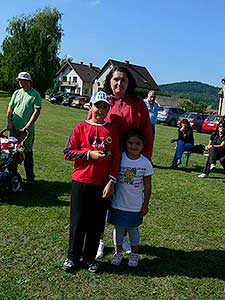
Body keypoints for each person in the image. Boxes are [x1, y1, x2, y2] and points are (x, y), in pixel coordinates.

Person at [92, 66, 153, 258]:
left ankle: (123, 237)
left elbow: (147, 134)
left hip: (129, 163)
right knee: (101, 202)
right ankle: (99, 240)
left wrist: (144, 161)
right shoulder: (102, 102)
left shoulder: (138, 104)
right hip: (104, 162)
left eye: (123, 80)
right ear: (109, 81)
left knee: (127, 201)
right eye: (115, 79)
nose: (119, 83)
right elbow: (91, 128)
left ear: (129, 83)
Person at [62, 91, 120, 273]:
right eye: (98, 106)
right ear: (90, 107)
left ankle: (89, 258)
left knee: (96, 223)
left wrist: (111, 180)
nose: (101, 110)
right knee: (78, 221)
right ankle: (73, 257)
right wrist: (89, 154)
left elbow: (116, 158)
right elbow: (68, 152)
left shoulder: (111, 130)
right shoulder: (80, 127)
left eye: (105, 107)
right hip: (81, 181)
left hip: (102, 184)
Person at [108, 128, 153, 268]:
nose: (134, 146)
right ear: (125, 144)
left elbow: (148, 186)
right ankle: (118, 253)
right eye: (130, 143)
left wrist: (145, 205)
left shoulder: (145, 163)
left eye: (137, 143)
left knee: (133, 230)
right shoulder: (119, 158)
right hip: (118, 203)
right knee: (119, 229)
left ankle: (134, 254)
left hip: (135, 205)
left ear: (143, 145)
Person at [7, 72, 42, 183]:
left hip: (27, 131)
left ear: (28, 81)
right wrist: (9, 122)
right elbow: (10, 108)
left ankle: (30, 178)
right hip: (14, 129)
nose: (20, 82)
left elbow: (37, 111)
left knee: (27, 153)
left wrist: (27, 126)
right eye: (19, 80)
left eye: (22, 80)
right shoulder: (16, 93)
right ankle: (13, 176)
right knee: (12, 152)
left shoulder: (35, 94)